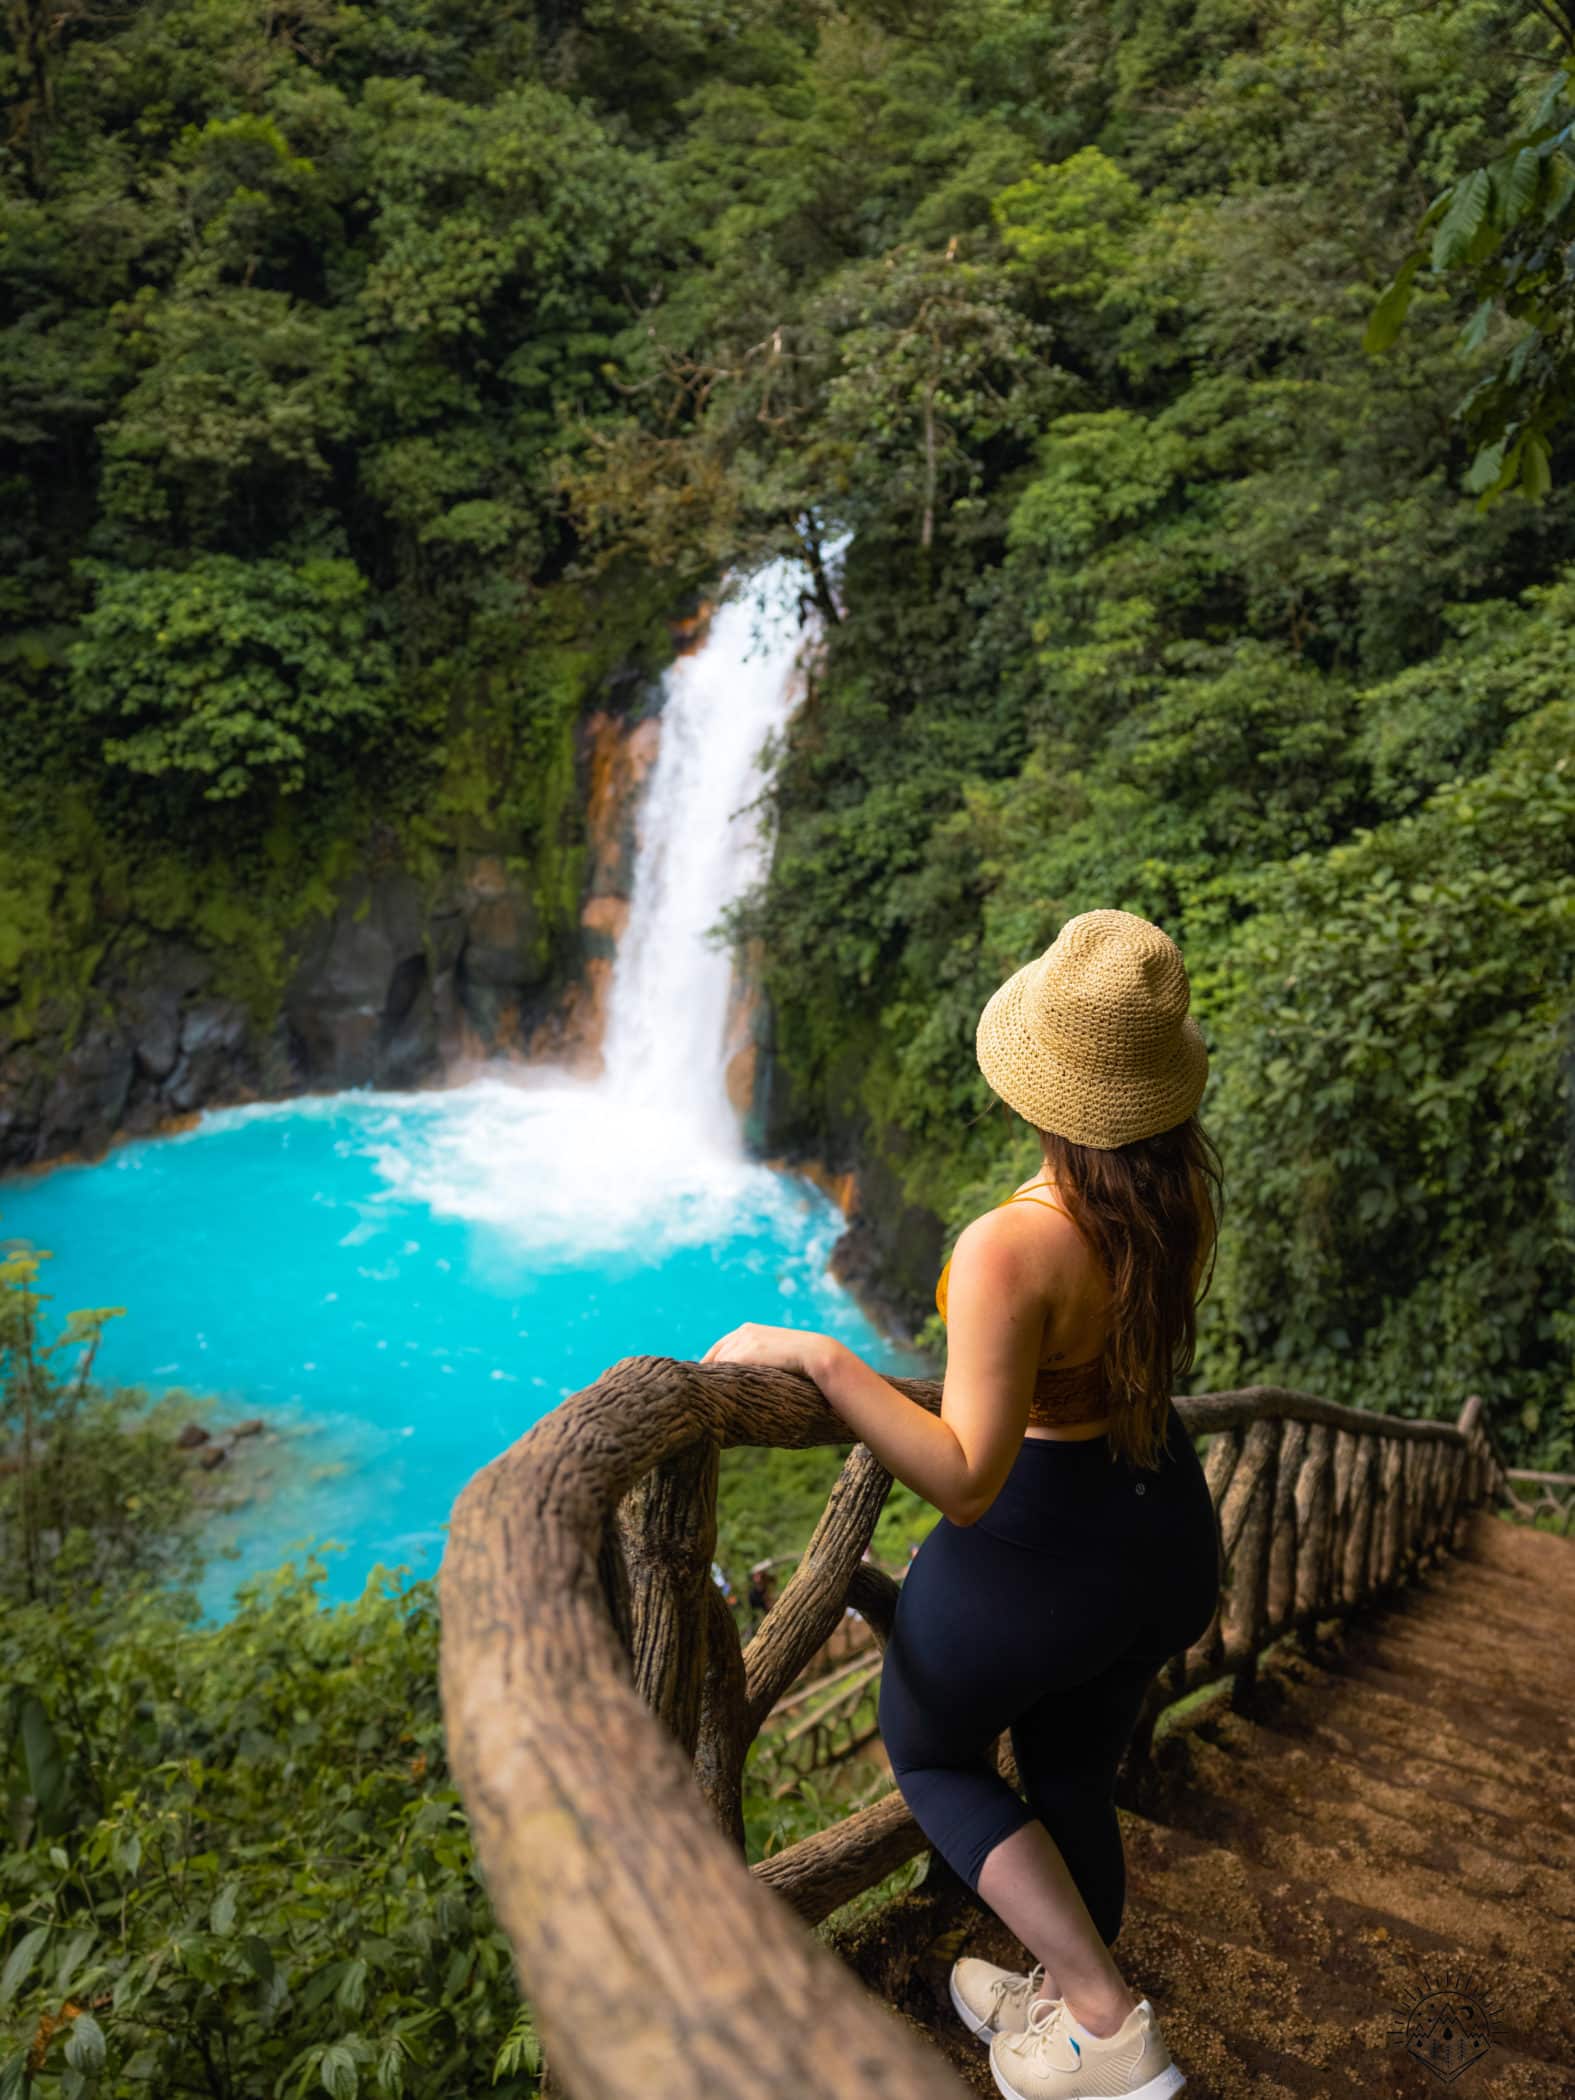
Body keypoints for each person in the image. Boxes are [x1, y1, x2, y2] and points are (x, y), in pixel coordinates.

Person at [701, 909, 1222, 2100]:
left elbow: (970, 1477)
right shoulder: (1176, 1192)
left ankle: (1105, 2025)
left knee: (932, 1750)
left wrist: (833, 1366)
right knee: (1071, 1769)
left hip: (1044, 1540)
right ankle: (1070, 1987)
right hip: (1162, 1525)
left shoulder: (1010, 1247)